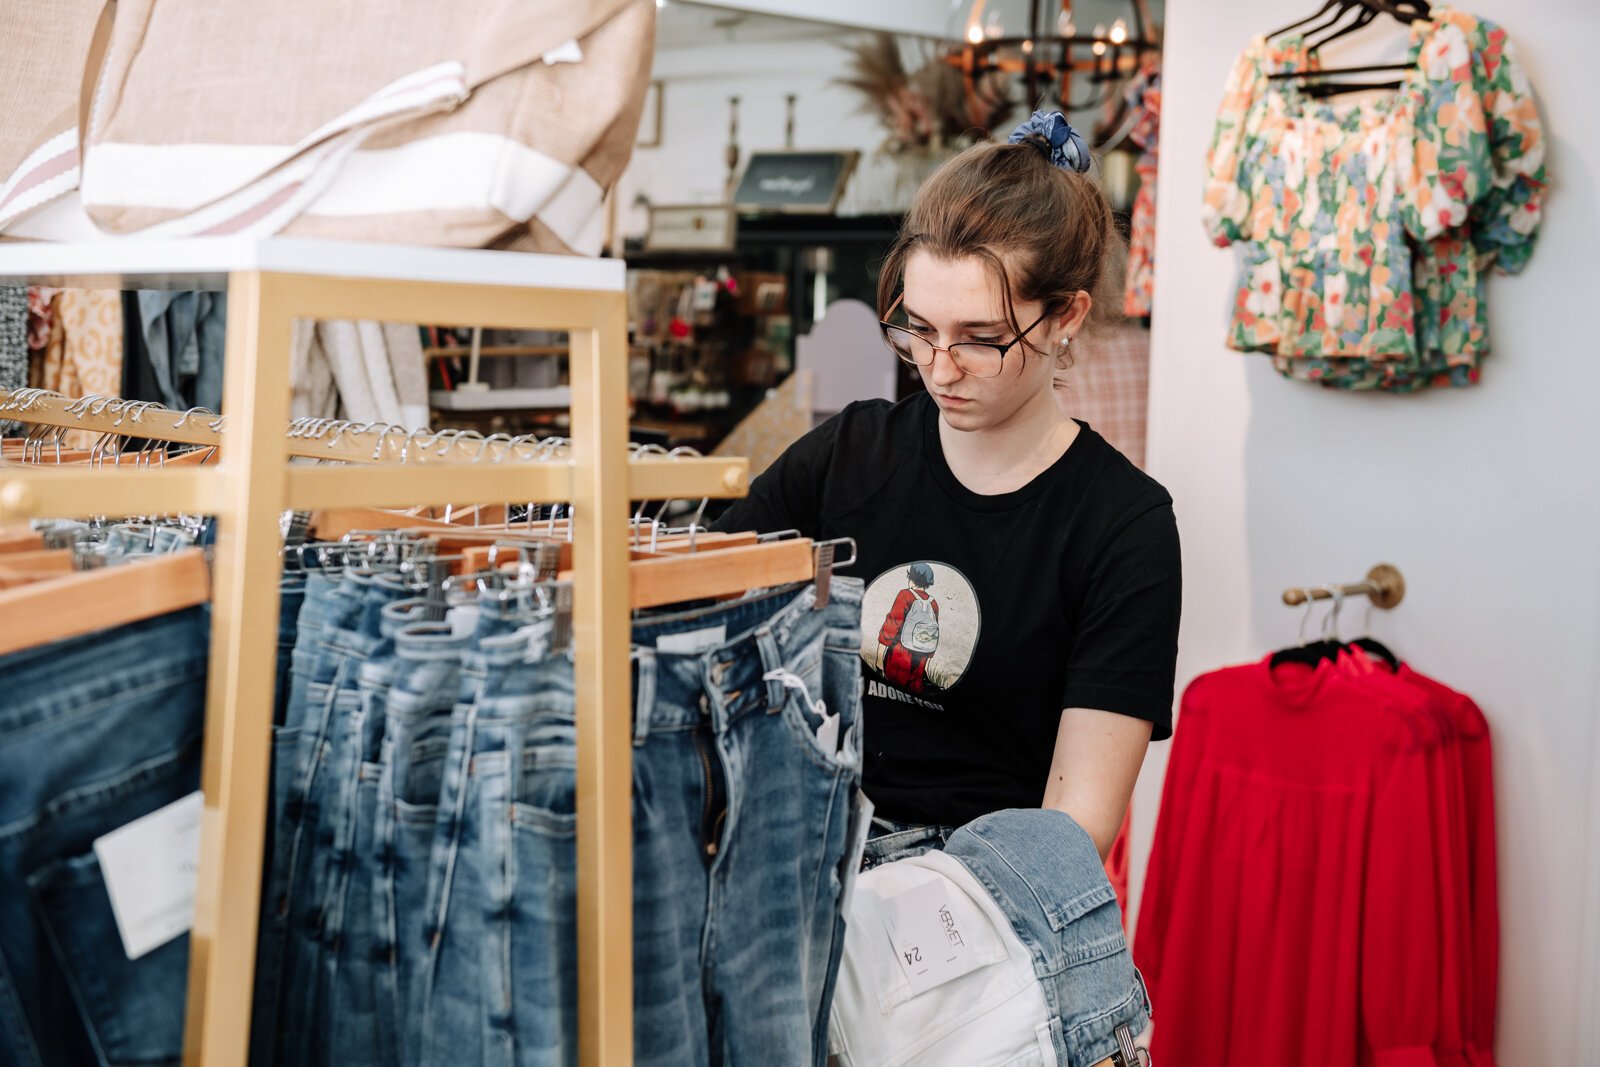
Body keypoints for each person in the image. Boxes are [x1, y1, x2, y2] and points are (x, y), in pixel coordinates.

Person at [713, 111, 1182, 871]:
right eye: (919, 329)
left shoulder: (1123, 525)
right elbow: (706, 593)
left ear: (1066, 317)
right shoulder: (850, 454)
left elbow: (1078, 825)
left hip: (983, 899)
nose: (938, 367)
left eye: (980, 338)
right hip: (808, 853)